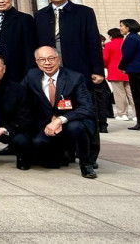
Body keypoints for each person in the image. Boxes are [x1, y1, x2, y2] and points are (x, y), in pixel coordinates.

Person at [35, 0, 106, 156]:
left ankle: (90, 153)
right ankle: (65, 151)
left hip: (78, 71)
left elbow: (93, 42)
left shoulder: (84, 13)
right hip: (51, 73)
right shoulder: (40, 15)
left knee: (86, 112)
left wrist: (97, 69)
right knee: (57, 111)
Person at [22, 46, 97, 178]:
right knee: (41, 147)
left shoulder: (75, 78)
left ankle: (86, 164)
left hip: (70, 121)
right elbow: (17, 93)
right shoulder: (32, 75)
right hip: (46, 123)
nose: (47, 63)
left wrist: (60, 120)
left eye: (51, 59)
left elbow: (87, 108)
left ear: (58, 59)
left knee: (77, 128)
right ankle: (64, 153)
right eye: (42, 60)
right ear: (37, 62)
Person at [0, 0, 37, 83]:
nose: (1, 1)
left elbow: (30, 49)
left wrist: (28, 75)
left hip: (17, 72)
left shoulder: (25, 19)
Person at [103, 28, 134, 121]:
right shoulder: (127, 43)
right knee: (132, 94)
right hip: (129, 72)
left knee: (119, 95)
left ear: (111, 36)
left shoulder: (109, 45)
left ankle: (122, 114)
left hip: (115, 72)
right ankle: (138, 114)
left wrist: (105, 66)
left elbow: (105, 58)